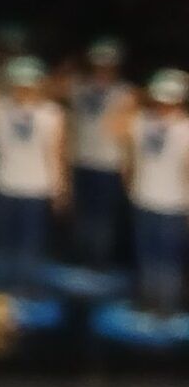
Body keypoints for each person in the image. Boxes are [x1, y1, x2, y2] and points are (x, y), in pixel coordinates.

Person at [0, 55, 64, 281]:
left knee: (29, 244)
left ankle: (22, 288)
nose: (24, 89)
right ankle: (2, 288)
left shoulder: (51, 114)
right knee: (4, 242)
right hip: (5, 183)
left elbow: (55, 154)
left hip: (35, 188)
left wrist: (58, 189)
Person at [67, 38, 135, 268]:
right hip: (81, 158)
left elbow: (128, 135)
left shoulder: (125, 93)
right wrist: (69, 66)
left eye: (108, 65)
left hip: (109, 163)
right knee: (81, 213)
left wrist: (128, 168)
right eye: (98, 64)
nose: (103, 69)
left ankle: (98, 262)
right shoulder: (79, 86)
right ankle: (79, 258)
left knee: (103, 218)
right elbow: (52, 87)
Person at [125, 68, 189, 314]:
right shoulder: (141, 121)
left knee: (169, 259)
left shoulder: (186, 128)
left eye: (170, 101)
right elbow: (113, 127)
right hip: (144, 198)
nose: (164, 106)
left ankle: (166, 306)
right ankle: (148, 300)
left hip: (174, 204)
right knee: (146, 256)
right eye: (160, 99)